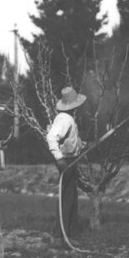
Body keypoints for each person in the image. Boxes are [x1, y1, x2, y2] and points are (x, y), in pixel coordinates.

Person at [46, 86, 88, 237]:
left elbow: (70, 139)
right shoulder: (64, 119)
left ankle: (70, 231)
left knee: (71, 196)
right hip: (66, 160)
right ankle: (62, 234)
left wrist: (82, 145)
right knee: (67, 197)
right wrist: (59, 159)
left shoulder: (67, 118)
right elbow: (51, 137)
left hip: (71, 159)